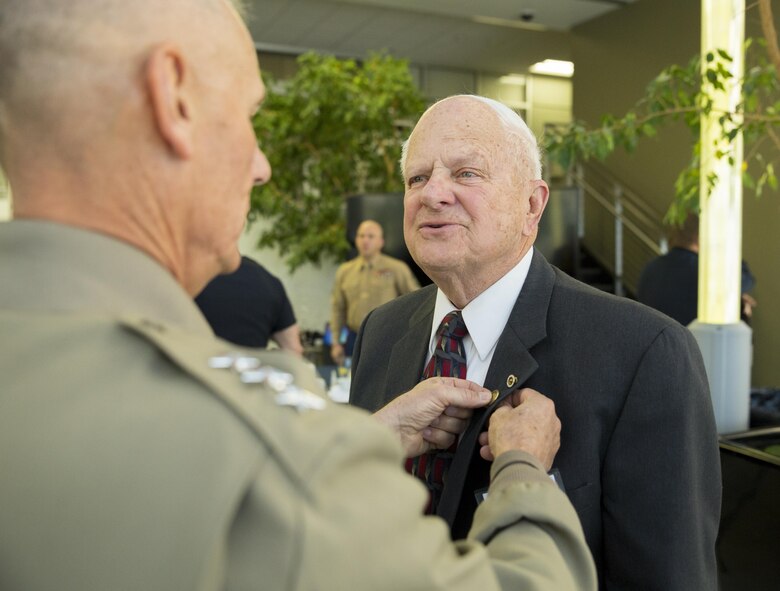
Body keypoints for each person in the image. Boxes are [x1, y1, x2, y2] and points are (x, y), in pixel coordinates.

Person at [0, 2, 597, 590]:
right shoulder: (258, 444)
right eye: (247, 115)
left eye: (466, 174)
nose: (260, 166)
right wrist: (522, 471)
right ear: (173, 98)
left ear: (532, 203)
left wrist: (361, 441)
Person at [349, 94, 721, 590]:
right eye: (417, 178)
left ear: (532, 204)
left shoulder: (645, 352)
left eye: (466, 173)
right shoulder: (382, 331)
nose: (432, 193)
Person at [637, 214, 757, 325]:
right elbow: (745, 279)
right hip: (694, 344)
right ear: (701, 237)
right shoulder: (706, 273)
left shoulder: (650, 270)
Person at [330, 219, 419, 364]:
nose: (365, 240)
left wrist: (413, 339)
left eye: (370, 236)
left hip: (388, 337)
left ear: (381, 242)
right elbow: (337, 308)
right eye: (361, 236)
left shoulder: (396, 268)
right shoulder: (345, 271)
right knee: (353, 382)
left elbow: (417, 302)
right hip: (355, 338)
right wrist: (336, 342)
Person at [195, 255, 304, 354]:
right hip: (249, 372)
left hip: (193, 371)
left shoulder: (189, 277)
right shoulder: (268, 281)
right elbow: (293, 350)